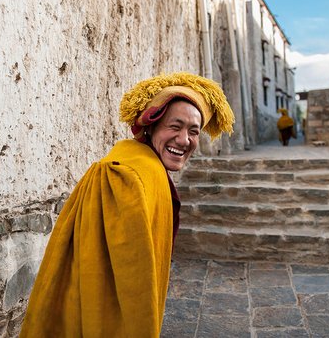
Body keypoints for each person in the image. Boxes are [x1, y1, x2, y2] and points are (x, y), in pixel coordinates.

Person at [19, 72, 234, 337]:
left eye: (193, 131)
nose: (184, 140)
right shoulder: (127, 177)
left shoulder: (142, 166)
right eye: (174, 127)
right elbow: (132, 281)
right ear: (150, 126)